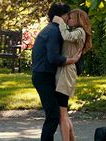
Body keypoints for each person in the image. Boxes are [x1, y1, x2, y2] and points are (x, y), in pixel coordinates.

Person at [31, 3, 82, 141]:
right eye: (67, 15)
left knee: (57, 114)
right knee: (53, 115)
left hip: (47, 75)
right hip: (43, 77)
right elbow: (53, 58)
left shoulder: (53, 29)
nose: (69, 18)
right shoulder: (53, 32)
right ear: (61, 16)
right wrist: (72, 60)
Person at [52, 9, 92, 141]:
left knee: (62, 113)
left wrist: (59, 22)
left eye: (71, 18)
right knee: (63, 112)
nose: (67, 20)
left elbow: (67, 37)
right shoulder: (75, 31)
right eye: (67, 18)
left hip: (67, 72)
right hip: (64, 69)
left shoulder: (80, 32)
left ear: (79, 19)